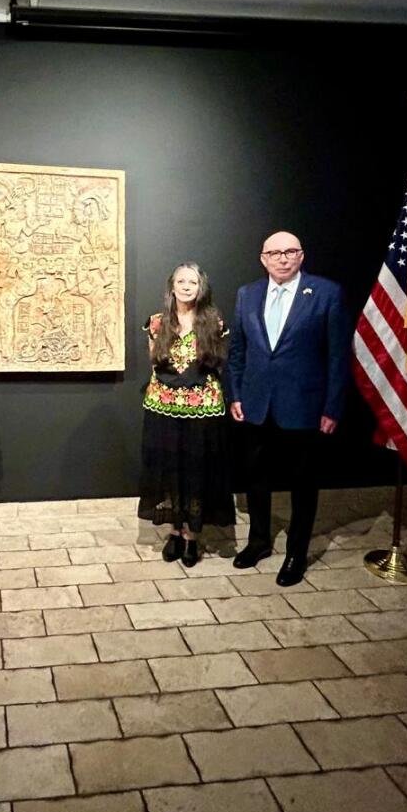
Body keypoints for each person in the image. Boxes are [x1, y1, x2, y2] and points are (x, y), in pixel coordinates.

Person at [226, 230, 349, 586]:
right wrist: (235, 395)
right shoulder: (247, 294)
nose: (282, 258)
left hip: (304, 405)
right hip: (255, 404)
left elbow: (338, 356)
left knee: (303, 483)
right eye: (275, 253)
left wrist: (332, 407)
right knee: (256, 477)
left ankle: (296, 553)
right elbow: (237, 351)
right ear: (263, 259)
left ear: (301, 256)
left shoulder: (326, 293)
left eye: (290, 251)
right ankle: (259, 542)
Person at [137, 263, 234, 567]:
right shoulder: (156, 322)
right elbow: (154, 360)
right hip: (164, 407)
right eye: (181, 281)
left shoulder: (214, 323)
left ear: (201, 287)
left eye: (192, 282)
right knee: (169, 469)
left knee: (196, 469)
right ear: (172, 286)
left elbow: (220, 363)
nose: (187, 286)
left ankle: (192, 535)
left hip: (202, 408)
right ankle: (175, 532)